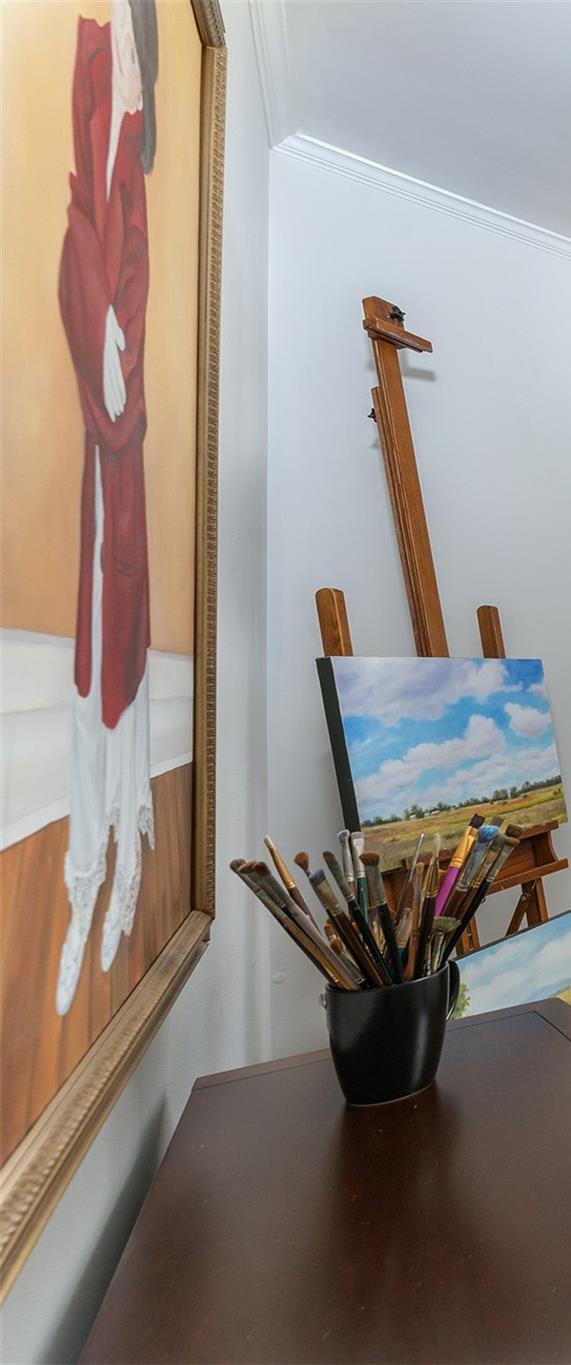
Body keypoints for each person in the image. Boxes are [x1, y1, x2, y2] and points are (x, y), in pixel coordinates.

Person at [55, 0, 157, 1015]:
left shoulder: (123, 216)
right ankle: (101, 873)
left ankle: (118, 863)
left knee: (115, 662)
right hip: (109, 477)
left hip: (119, 476)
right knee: (98, 674)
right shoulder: (98, 207)